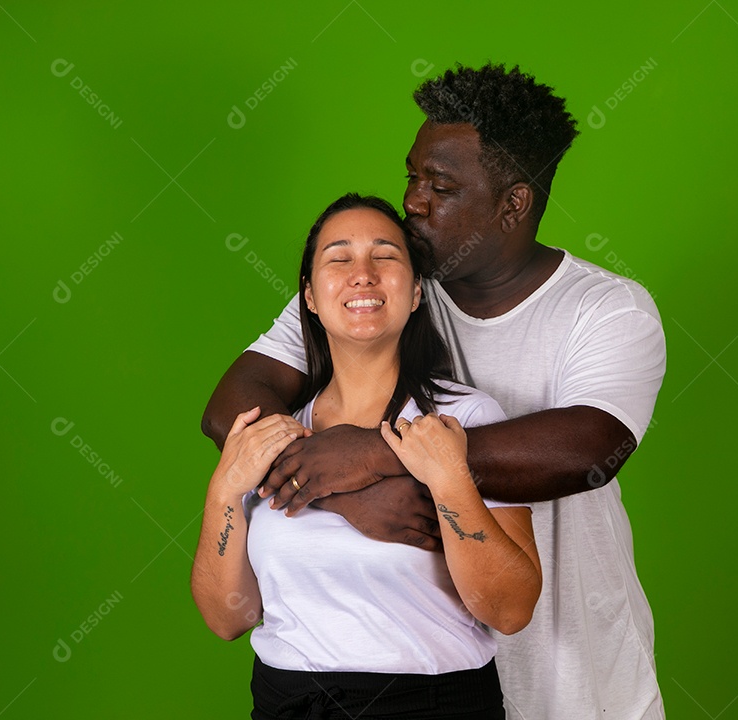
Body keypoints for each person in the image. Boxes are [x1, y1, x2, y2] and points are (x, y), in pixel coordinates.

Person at [202, 64, 668, 719]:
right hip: (425, 675)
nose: (414, 201)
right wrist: (338, 493)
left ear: (513, 203)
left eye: (441, 185)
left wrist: (376, 460)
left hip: (572, 672)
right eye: (412, 177)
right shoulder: (383, 290)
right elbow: (234, 406)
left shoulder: (606, 310)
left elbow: (588, 447)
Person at [191, 194, 542, 719]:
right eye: (338, 257)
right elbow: (227, 619)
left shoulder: (463, 419)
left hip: (431, 707)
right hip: (287, 704)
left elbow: (510, 610)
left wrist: (448, 482)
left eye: (385, 256)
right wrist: (222, 490)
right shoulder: (272, 435)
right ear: (308, 296)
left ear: (418, 292)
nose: (363, 274)